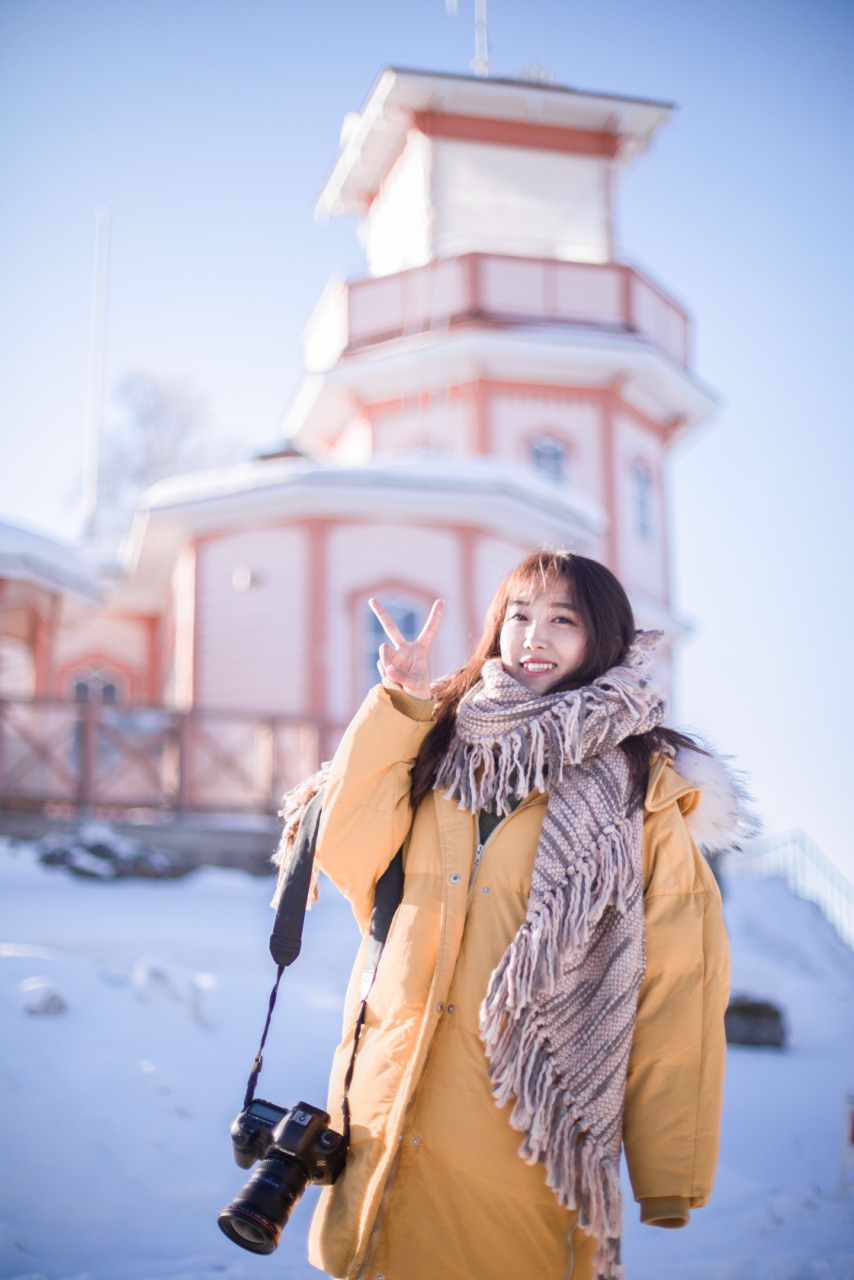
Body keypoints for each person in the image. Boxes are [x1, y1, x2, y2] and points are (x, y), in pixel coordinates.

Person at [276, 551, 744, 1280]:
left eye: (564, 620)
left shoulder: (641, 794)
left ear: (605, 640)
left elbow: (679, 982)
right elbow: (348, 849)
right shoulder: (438, 750)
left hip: (523, 1129)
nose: (535, 636)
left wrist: (667, 1164)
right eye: (520, 616)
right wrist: (400, 705)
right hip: (384, 1104)